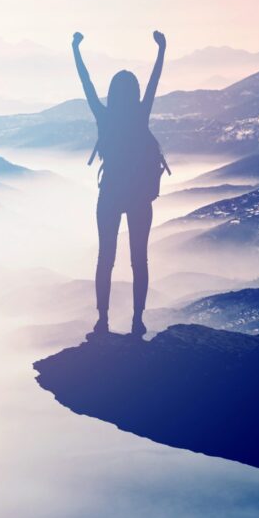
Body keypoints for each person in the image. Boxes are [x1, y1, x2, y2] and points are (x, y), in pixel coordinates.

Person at [72, 30, 167, 337]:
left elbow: (86, 85)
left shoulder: (105, 117)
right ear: (134, 93)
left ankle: (102, 320)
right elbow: (154, 82)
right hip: (139, 197)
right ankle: (138, 321)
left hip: (110, 195)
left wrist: (76, 50)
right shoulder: (140, 116)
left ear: (113, 93)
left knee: (105, 259)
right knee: (140, 259)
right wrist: (161, 50)